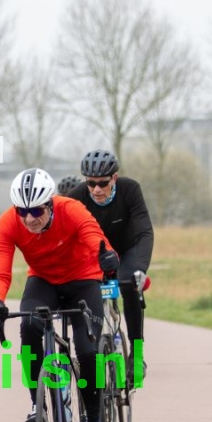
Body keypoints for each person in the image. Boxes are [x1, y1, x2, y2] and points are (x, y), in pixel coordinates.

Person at [0, 167, 119, 422]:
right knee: (29, 326)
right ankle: (38, 406)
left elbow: (95, 239)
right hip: (43, 281)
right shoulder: (9, 222)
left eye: (36, 210)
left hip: (83, 280)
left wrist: (107, 257)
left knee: (87, 350)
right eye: (22, 211)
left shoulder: (72, 210)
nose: (29, 218)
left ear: (50, 204)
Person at [66, 150, 154, 381]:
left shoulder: (130, 189)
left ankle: (136, 355)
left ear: (114, 178)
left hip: (126, 251)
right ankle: (90, 353)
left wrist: (141, 269)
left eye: (103, 183)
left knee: (128, 284)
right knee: (85, 291)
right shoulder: (77, 197)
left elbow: (144, 231)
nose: (96, 189)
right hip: (95, 254)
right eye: (91, 183)